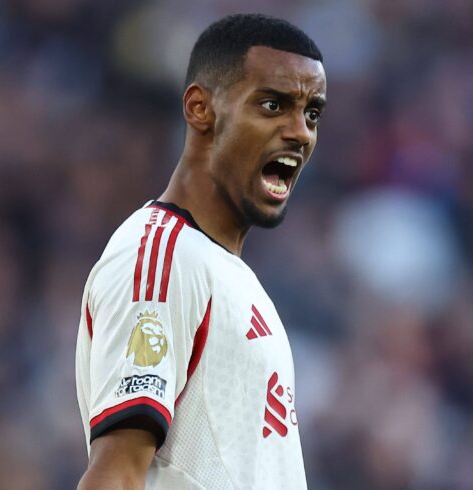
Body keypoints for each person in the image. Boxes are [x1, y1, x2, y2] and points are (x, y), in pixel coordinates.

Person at [75, 13, 326, 489]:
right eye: (273, 105)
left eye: (312, 113)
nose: (301, 131)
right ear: (200, 109)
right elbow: (117, 474)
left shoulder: (230, 277)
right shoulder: (164, 255)